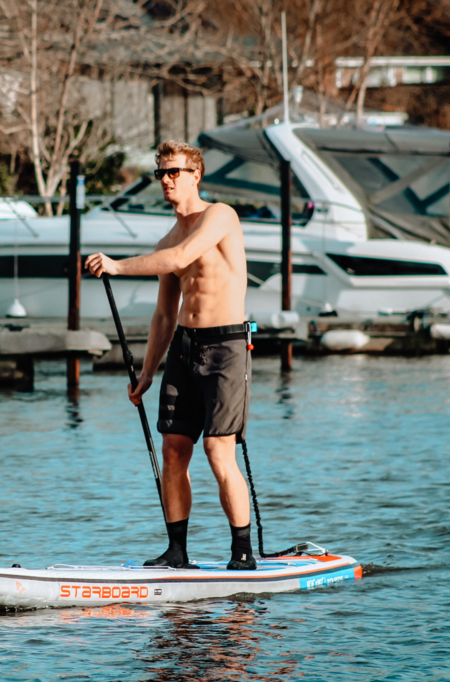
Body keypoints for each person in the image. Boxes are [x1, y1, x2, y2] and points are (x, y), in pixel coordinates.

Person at [86, 140, 255, 570]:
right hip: (184, 348)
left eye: (173, 171)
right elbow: (164, 315)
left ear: (195, 175)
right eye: (160, 173)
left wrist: (118, 266)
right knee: (174, 450)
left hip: (226, 347)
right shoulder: (167, 238)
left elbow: (181, 257)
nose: (166, 179)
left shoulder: (220, 216)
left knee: (217, 450)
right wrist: (147, 372)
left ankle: (242, 553)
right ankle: (177, 552)